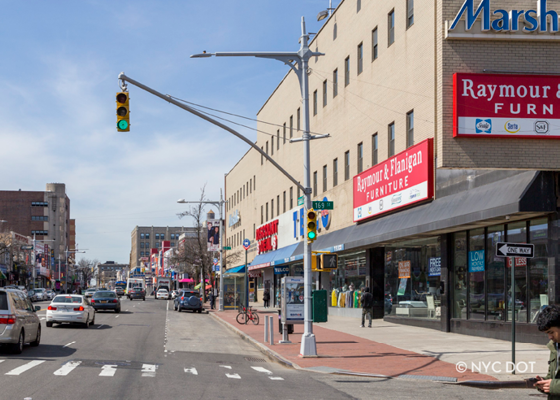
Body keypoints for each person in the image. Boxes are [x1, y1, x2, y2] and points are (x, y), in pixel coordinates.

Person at [535, 305, 560, 398]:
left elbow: (555, 384)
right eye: (547, 334)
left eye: (551, 332)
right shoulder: (554, 346)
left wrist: (554, 386)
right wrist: (543, 383)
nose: (550, 337)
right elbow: (553, 376)